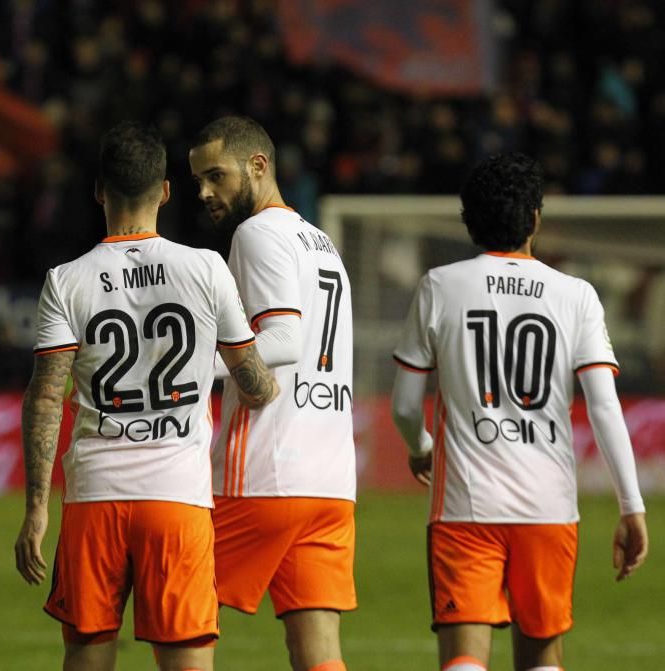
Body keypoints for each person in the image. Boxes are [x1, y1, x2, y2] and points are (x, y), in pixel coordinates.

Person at [15, 122, 279, 671]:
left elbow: (45, 398)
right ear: (164, 191)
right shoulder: (205, 268)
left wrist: (37, 508)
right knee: (186, 660)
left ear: (98, 191)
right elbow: (253, 381)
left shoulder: (67, 280)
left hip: (95, 495)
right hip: (177, 498)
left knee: (88, 655)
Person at [390, 153, 649, 671]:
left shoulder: (440, 286)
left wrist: (421, 447)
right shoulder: (576, 295)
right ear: (535, 217)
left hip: (466, 506)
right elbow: (602, 405)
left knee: (464, 658)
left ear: (469, 220)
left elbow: (402, 405)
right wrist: (631, 504)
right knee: (541, 660)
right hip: (548, 507)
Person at [188, 116, 356, 671]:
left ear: (257, 166)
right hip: (329, 480)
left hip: (264, 471)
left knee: (180, 612)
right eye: (198, 181)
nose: (206, 192)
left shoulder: (255, 233)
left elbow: (284, 339)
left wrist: (188, 370)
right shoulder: (322, 243)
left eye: (216, 175)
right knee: (318, 649)